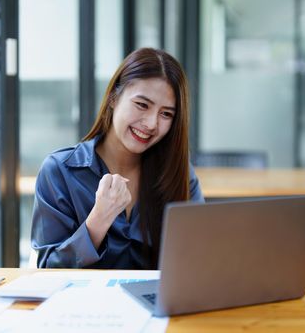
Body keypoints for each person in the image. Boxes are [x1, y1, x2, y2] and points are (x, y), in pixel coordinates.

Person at [31, 48, 204, 269]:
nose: (151, 123)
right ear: (114, 97)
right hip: (86, 303)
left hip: (155, 303)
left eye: (166, 114)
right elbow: (48, 271)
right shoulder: (60, 171)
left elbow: (198, 259)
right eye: (142, 105)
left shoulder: (179, 173)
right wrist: (99, 219)